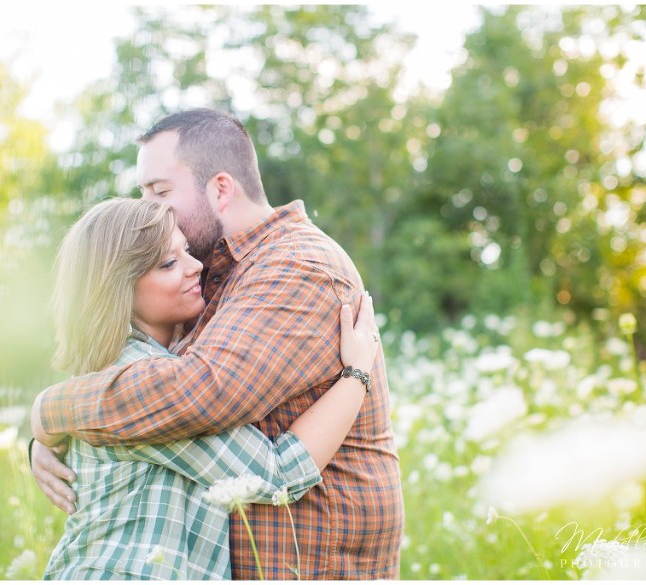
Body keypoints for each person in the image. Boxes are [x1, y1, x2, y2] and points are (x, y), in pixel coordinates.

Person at [32, 108, 404, 579]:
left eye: (161, 191)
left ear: (221, 189)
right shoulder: (217, 276)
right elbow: (151, 394)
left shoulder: (294, 265)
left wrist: (51, 411)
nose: (152, 208)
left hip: (309, 563)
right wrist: (55, 428)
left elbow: (200, 392)